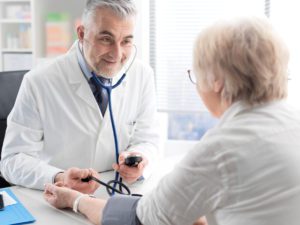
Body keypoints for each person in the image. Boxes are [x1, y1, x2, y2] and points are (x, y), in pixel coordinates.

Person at [44, 16, 300, 225]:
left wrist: (75, 200)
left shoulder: (221, 149)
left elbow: (141, 218)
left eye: (196, 75)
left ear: (217, 82)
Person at [0, 0, 160, 192]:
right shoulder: (39, 81)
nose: (117, 54)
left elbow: (148, 139)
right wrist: (58, 177)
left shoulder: (142, 75)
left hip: (119, 192)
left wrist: (140, 159)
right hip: (59, 197)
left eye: (126, 41)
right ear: (82, 34)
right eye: (106, 39)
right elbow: (12, 160)